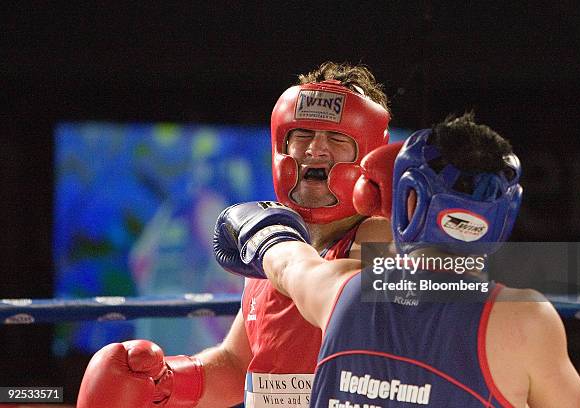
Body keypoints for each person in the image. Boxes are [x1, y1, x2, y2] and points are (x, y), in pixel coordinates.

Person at [76, 62, 393, 408]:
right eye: (302, 135)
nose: (315, 150)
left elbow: (353, 306)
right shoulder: (268, 240)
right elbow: (238, 365)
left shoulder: (378, 237)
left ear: (366, 155)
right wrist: (167, 382)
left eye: (336, 138)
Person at [214, 114, 580, 407]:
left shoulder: (339, 290)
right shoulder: (526, 319)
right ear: (503, 215)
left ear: (407, 200)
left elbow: (285, 261)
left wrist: (261, 230)